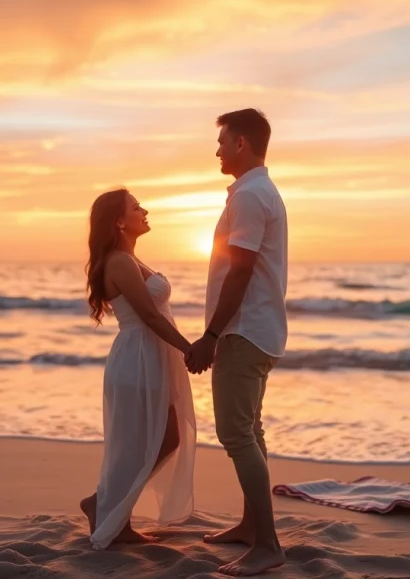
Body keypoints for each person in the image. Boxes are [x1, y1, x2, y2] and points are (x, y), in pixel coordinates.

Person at [186, 108, 288, 576]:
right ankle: (252, 527)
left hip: (244, 330)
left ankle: (267, 544)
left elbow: (241, 270)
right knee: (251, 430)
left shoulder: (249, 195)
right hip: (257, 329)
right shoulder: (259, 191)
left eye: (222, 142)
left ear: (242, 142)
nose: (218, 151)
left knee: (235, 434)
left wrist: (211, 335)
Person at [80, 187, 197, 550]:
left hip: (151, 356)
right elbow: (148, 315)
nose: (144, 211)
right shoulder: (119, 261)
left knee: (166, 438)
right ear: (118, 221)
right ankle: (110, 512)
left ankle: (104, 505)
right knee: (136, 444)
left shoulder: (130, 258)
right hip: (138, 358)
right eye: (135, 207)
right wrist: (189, 349)